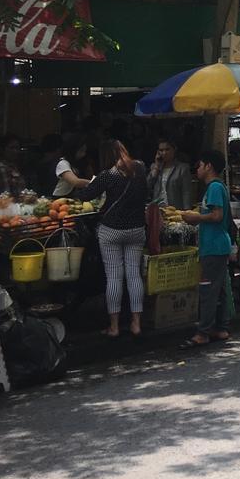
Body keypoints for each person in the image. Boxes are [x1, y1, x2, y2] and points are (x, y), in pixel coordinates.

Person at [79, 140, 149, 338]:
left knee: (114, 278)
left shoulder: (107, 175)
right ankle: (136, 323)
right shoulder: (140, 168)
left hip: (111, 231)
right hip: (136, 229)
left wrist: (85, 182)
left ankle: (114, 326)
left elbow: (84, 196)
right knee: (134, 275)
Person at [180, 151, 233, 347]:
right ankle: (220, 327)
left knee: (208, 289)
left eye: (200, 165)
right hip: (216, 245)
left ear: (208, 166)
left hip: (214, 246)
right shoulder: (216, 188)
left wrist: (196, 218)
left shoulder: (214, 188)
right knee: (218, 290)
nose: (197, 169)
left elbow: (217, 216)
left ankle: (203, 332)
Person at [147, 137, 193, 210]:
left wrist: (187, 210)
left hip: (174, 209)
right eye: (161, 150)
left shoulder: (182, 168)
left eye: (167, 149)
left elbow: (186, 192)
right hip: (157, 209)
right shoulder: (155, 167)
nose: (164, 153)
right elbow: (148, 185)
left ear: (174, 150)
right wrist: (157, 167)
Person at [52, 135, 92, 199]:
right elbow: (75, 182)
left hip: (69, 197)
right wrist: (95, 183)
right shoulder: (63, 163)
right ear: (73, 150)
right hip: (59, 198)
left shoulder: (74, 162)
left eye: (84, 151)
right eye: (81, 151)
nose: (84, 154)